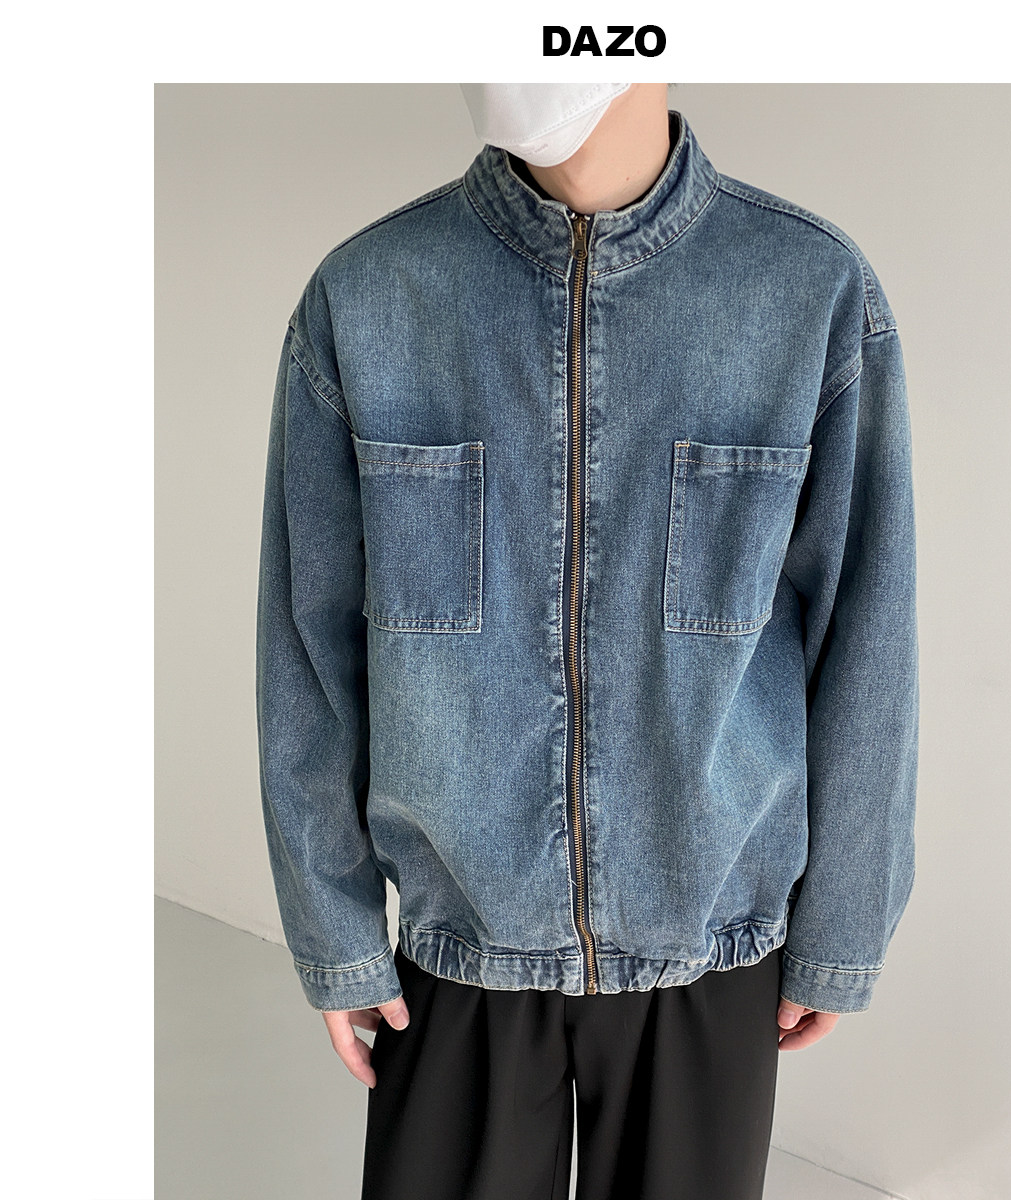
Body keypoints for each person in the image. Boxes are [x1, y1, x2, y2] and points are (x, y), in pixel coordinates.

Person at [255, 82, 919, 1200]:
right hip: (458, 946)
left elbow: (869, 637)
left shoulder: (810, 292)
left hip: (710, 943)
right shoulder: (368, 296)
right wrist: (335, 927)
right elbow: (307, 649)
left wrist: (844, 923)